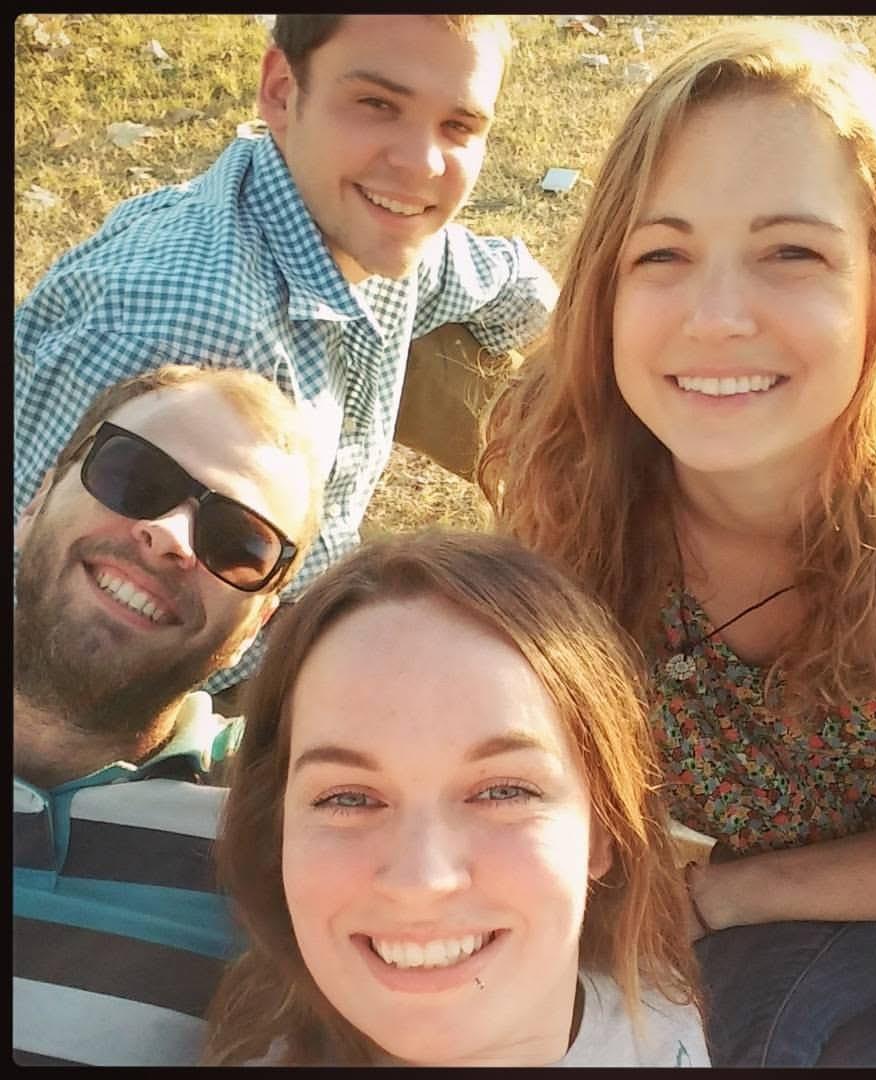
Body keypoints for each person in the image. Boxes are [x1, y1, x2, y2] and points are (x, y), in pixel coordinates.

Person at [481, 19, 876, 1069]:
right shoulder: (564, 465)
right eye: (662, 252)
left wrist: (723, 896)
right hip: (797, 862)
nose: (715, 316)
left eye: (790, 252)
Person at [15, 14, 557, 702]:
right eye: (376, 105)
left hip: (285, 585)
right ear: (279, 89)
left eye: (458, 126)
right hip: (170, 682)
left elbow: (508, 282)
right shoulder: (195, 342)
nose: (422, 163)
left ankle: (611, 539)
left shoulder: (366, 219)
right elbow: (57, 640)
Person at [202, 531, 708, 1067]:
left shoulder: (660, 1017)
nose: (421, 881)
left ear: (601, 832)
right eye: (348, 798)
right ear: (277, 835)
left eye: (503, 791)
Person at [13, 364, 324, 1066]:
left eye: (239, 543)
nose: (171, 536)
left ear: (256, 625)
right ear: (36, 500)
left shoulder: (285, 813)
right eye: (134, 476)